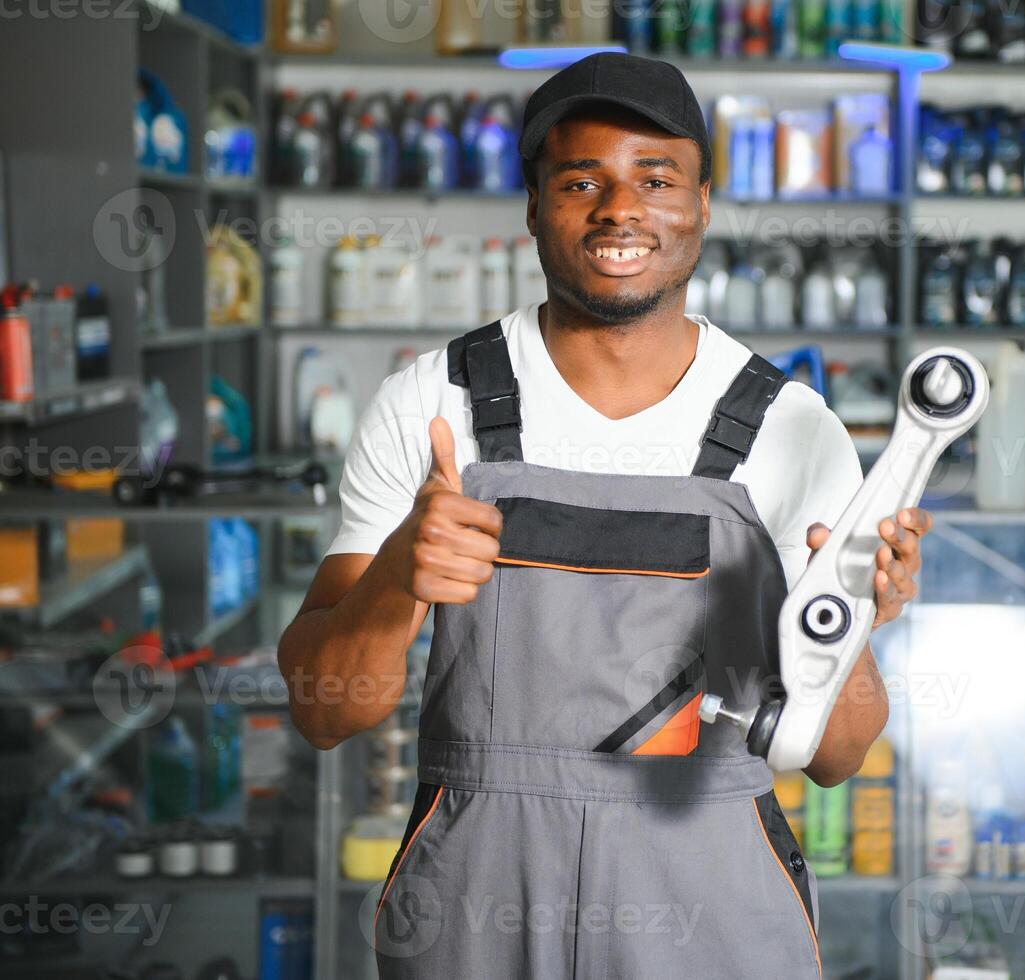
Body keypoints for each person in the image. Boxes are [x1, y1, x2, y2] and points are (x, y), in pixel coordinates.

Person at [278, 52, 934, 978]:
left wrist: (856, 618)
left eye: (655, 179)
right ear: (537, 207)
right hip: (480, 893)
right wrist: (398, 576)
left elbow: (837, 754)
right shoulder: (433, 403)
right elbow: (321, 713)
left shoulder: (789, 428)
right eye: (581, 180)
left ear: (702, 204)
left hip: (712, 897)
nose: (620, 209)